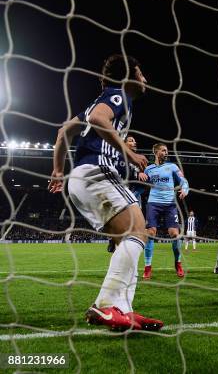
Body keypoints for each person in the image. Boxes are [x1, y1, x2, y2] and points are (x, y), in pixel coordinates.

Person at [48, 54, 162, 331]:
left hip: (82, 177)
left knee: (133, 237)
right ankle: (106, 305)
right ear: (128, 77)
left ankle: (123, 309)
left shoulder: (99, 102)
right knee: (137, 232)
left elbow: (64, 131)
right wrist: (129, 153)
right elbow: (100, 117)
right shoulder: (118, 95)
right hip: (96, 172)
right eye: (140, 71)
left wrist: (58, 171)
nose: (145, 78)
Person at [141, 143, 189, 279]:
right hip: (153, 203)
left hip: (169, 204)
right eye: (163, 150)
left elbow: (184, 181)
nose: (166, 152)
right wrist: (139, 174)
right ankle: (147, 267)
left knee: (175, 234)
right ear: (156, 152)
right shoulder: (148, 169)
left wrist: (185, 189)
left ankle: (178, 263)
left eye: (167, 151)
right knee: (150, 233)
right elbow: (140, 183)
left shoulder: (172, 167)